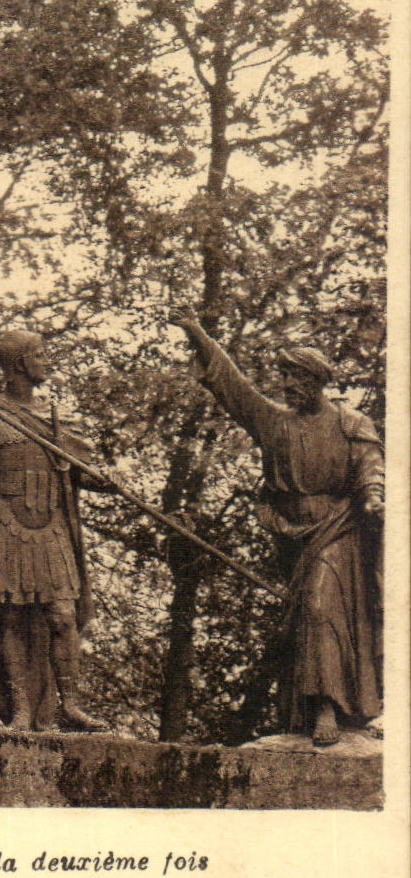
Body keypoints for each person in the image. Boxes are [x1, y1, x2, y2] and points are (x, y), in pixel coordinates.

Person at [170, 311, 384, 747]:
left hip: (340, 528)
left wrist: (373, 497)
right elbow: (235, 389)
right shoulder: (277, 423)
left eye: (293, 378)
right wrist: (197, 334)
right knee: (306, 615)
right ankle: (310, 709)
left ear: (314, 379)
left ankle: (326, 706)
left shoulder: (351, 423)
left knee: (321, 605)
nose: (285, 387)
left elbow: (370, 468)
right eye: (283, 378)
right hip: (292, 536)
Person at [0, 330, 111, 732]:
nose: (47, 361)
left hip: (50, 524)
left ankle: (70, 705)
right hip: (1, 521)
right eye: (40, 354)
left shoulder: (55, 417)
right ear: (18, 364)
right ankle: (19, 707)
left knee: (63, 615)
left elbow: (82, 469)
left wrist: (105, 478)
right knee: (11, 619)